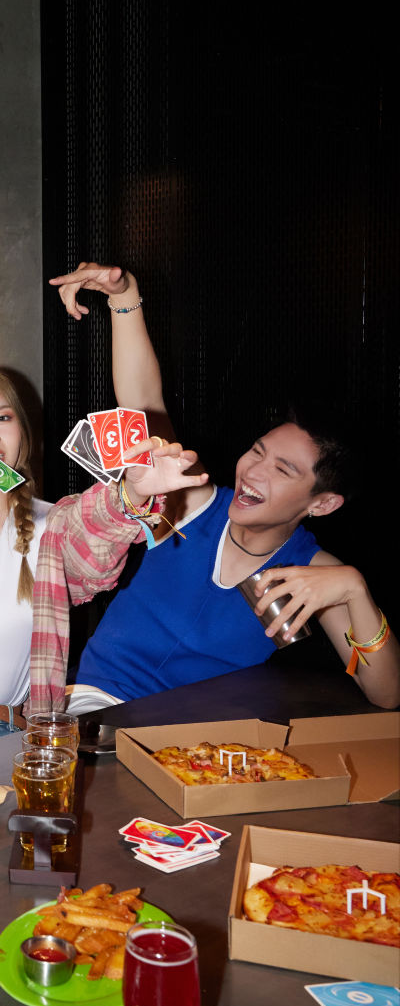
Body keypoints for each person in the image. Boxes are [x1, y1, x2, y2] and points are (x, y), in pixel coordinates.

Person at [49, 262, 399, 709]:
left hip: (197, 737)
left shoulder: (312, 571)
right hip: (99, 705)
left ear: (323, 504)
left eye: (283, 470)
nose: (253, 471)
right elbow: (144, 406)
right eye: (257, 451)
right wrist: (123, 295)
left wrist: (354, 587)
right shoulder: (192, 503)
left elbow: (385, 694)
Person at [0, 365, 208, 748]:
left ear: (22, 432)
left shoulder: (53, 523)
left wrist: (130, 494)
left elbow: (92, 546)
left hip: (28, 734)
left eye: (3, 418)